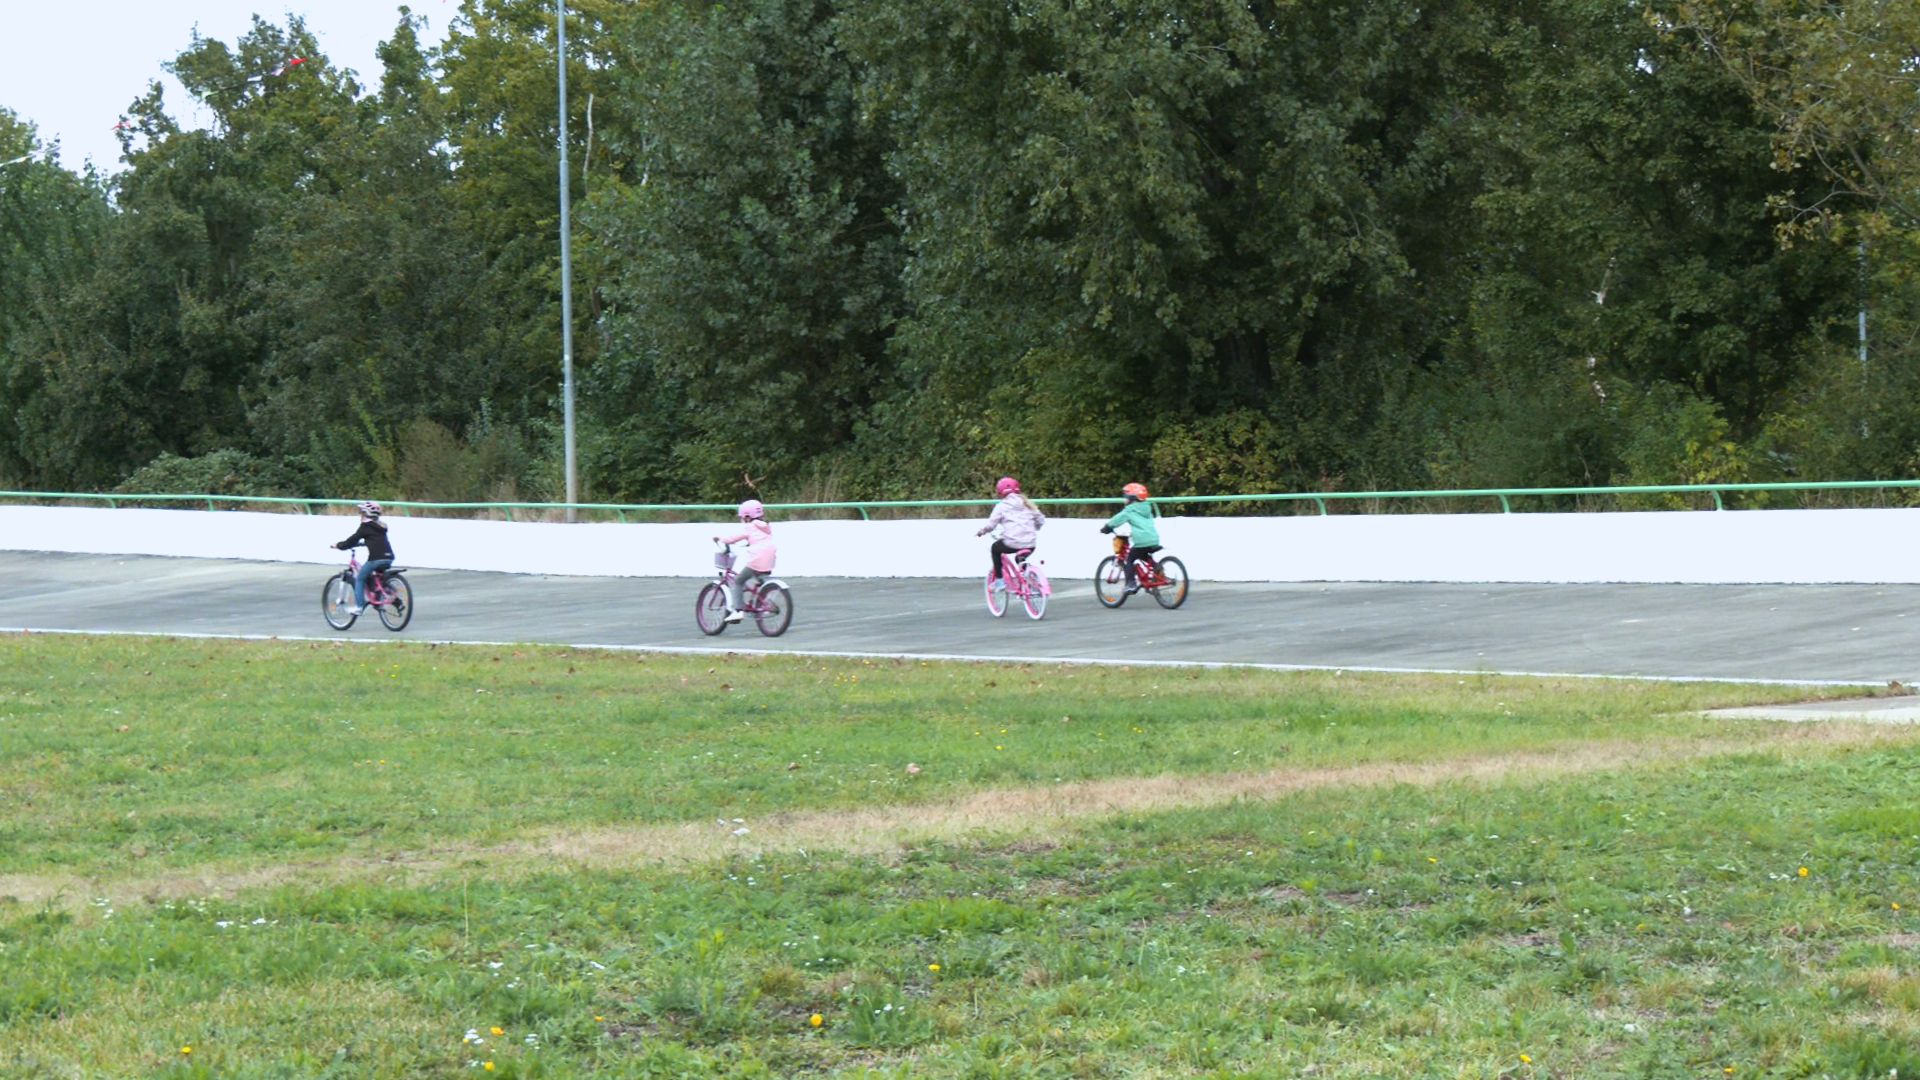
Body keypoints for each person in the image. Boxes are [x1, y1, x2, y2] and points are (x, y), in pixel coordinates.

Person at [975, 476, 1046, 590]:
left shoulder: (1001, 506)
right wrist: (1036, 527)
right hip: (1031, 544)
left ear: (1000, 492)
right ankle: (1028, 576)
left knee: (995, 548)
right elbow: (1040, 519)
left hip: (1012, 543)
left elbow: (991, 525)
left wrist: (982, 531)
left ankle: (999, 581)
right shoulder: (1027, 503)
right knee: (1020, 558)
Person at [715, 498, 777, 623]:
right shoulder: (765, 526)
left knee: (738, 581)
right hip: (771, 557)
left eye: (743, 517)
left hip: (757, 559)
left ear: (748, 516)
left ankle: (738, 611)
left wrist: (721, 540)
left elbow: (734, 538)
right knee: (759, 578)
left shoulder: (750, 526)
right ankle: (762, 603)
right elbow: (759, 540)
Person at [332, 501, 394, 615]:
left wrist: (339, 545)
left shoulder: (365, 527)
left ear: (366, 514)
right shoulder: (381, 527)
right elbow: (376, 540)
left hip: (376, 559)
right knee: (374, 576)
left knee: (360, 578)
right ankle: (389, 593)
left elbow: (352, 540)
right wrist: (365, 543)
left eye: (361, 513)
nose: (360, 515)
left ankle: (359, 607)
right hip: (389, 557)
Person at [1099, 482, 1159, 594]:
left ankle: (1131, 584)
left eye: (1126, 497)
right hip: (1154, 539)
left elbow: (1117, 519)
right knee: (1144, 556)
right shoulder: (1147, 507)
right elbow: (1142, 524)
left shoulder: (1130, 510)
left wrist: (1107, 527)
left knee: (1129, 559)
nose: (1124, 499)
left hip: (1141, 540)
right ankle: (1159, 572)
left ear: (1132, 498)